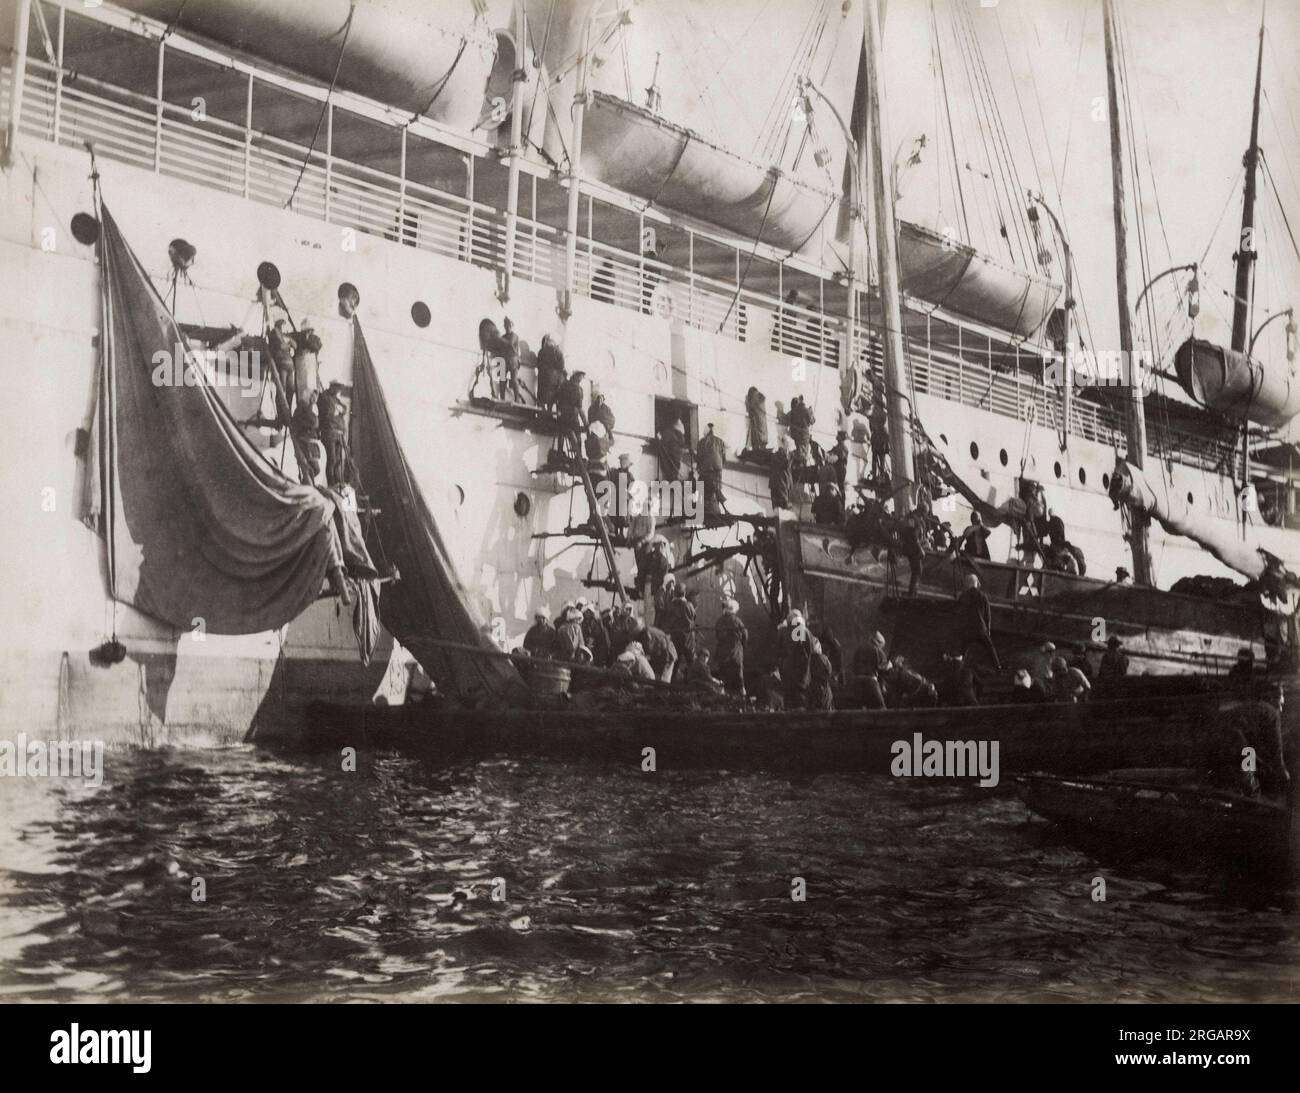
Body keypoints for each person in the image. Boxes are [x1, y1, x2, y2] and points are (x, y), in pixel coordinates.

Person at [954, 573, 1001, 671]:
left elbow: (959, 615)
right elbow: (987, 616)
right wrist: (987, 631)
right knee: (990, 647)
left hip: (967, 631)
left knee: (962, 649)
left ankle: (958, 668)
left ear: (968, 584)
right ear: (976, 583)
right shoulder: (983, 596)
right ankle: (998, 668)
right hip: (980, 630)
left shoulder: (962, 597)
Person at [778, 609, 820, 709]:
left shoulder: (783, 632)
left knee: (788, 700)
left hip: (786, 672)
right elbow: (809, 650)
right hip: (801, 673)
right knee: (800, 702)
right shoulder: (801, 630)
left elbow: (778, 651)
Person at [659, 583, 697, 673]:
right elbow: (694, 617)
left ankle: (671, 684)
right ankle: (693, 682)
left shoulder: (669, 605)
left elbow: (665, 621)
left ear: (674, 593)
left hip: (675, 638)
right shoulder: (689, 605)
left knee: (674, 662)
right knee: (691, 662)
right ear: (684, 593)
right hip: (688, 639)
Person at [714, 597, 748, 695]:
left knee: (724, 675)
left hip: (722, 651)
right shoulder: (737, 621)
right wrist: (743, 646)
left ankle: (724, 695)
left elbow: (717, 635)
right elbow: (745, 635)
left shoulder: (719, 621)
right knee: (738, 675)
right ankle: (742, 695)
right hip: (735, 651)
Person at [696, 422, 728, 517]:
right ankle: (716, 510)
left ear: (707, 430)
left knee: (702, 490)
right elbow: (724, 459)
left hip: (706, 472)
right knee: (716, 490)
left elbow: (699, 458)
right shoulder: (720, 441)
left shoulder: (702, 442)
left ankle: (704, 512)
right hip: (717, 472)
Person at [852, 631, 889, 708]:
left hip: (857, 682)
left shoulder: (859, 649)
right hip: (871, 682)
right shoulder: (878, 651)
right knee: (881, 707)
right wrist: (883, 686)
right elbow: (885, 670)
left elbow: (853, 666)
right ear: (879, 643)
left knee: (860, 708)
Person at [555, 370, 587, 459]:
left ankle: (560, 453)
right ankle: (578, 457)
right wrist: (586, 424)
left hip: (562, 416)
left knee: (561, 433)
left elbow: (556, 399)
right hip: (572, 417)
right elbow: (579, 408)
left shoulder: (564, 385)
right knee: (577, 436)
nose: (581, 378)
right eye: (581, 376)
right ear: (576, 376)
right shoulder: (578, 389)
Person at [535, 334, 566, 411]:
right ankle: (549, 411)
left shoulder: (541, 351)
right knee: (552, 399)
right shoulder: (558, 352)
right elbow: (561, 366)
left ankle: (541, 412)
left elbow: (538, 364)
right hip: (554, 379)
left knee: (541, 397)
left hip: (542, 377)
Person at [786, 396, 815, 469]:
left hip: (795, 435)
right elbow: (812, 421)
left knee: (798, 451)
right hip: (804, 435)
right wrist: (811, 412)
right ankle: (800, 469)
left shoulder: (793, 411)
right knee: (803, 453)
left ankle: (795, 467)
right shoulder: (806, 410)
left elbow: (787, 418)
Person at [769, 435, 794, 510]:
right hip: (781, 484)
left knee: (777, 508)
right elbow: (785, 465)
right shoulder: (783, 455)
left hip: (776, 484)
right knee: (783, 507)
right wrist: (787, 451)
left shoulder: (776, 454)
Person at [582, 604, 611, 668]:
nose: (587, 614)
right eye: (586, 612)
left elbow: (595, 636)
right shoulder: (583, 623)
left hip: (597, 649)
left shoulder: (596, 624)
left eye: (589, 612)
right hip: (590, 647)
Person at [868, 396, 890, 482]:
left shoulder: (873, 414)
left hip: (875, 438)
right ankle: (882, 477)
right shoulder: (885, 415)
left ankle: (874, 476)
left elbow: (871, 427)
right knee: (882, 459)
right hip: (883, 439)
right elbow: (886, 428)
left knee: (874, 458)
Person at [744, 386, 769, 455]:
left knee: (756, 436)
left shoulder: (754, 397)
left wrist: (747, 403)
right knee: (762, 436)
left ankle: (757, 452)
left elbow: (750, 408)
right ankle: (762, 451)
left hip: (756, 420)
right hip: (762, 420)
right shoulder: (761, 398)